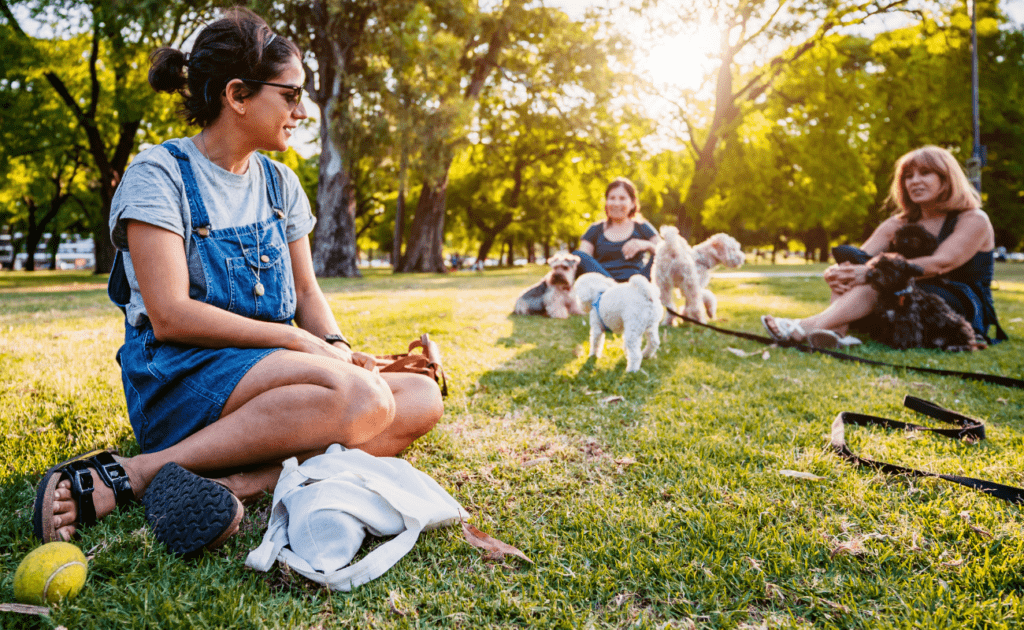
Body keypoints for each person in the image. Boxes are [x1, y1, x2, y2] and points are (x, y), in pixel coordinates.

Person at [33, 9, 443, 549]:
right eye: (290, 94)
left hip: (272, 375)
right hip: (182, 377)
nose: (301, 110)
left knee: (419, 396)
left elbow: (307, 293)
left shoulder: (279, 182)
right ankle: (134, 473)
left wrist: (337, 345)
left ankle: (236, 483)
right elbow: (171, 314)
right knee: (360, 399)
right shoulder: (158, 175)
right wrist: (299, 341)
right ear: (238, 95)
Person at [762, 145, 1007, 348]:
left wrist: (871, 272)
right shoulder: (897, 223)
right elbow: (861, 261)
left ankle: (806, 327)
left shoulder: (973, 219)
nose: (915, 181)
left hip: (955, 308)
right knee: (853, 263)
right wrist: (839, 273)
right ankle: (836, 330)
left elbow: (940, 263)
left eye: (925, 173)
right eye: (908, 176)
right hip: (905, 304)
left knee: (881, 277)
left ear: (946, 180)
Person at [573, 177, 660, 281]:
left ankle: (624, 291)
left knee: (659, 254)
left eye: (622, 198)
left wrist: (647, 245)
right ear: (606, 202)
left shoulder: (642, 226)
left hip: (636, 284)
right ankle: (615, 290)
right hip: (605, 286)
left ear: (632, 203)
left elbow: (665, 251)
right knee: (577, 256)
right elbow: (582, 259)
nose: (616, 203)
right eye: (612, 198)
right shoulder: (595, 229)